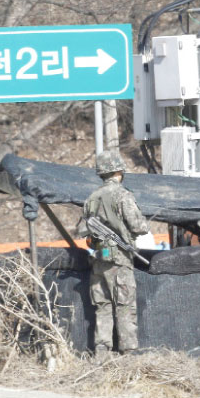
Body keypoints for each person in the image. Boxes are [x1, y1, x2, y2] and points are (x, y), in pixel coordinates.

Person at [81, 151, 149, 360]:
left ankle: (102, 352)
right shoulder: (122, 195)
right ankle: (128, 352)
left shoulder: (91, 198)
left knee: (102, 306)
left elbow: (84, 229)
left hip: (99, 258)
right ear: (119, 171)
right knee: (125, 305)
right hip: (119, 260)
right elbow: (138, 226)